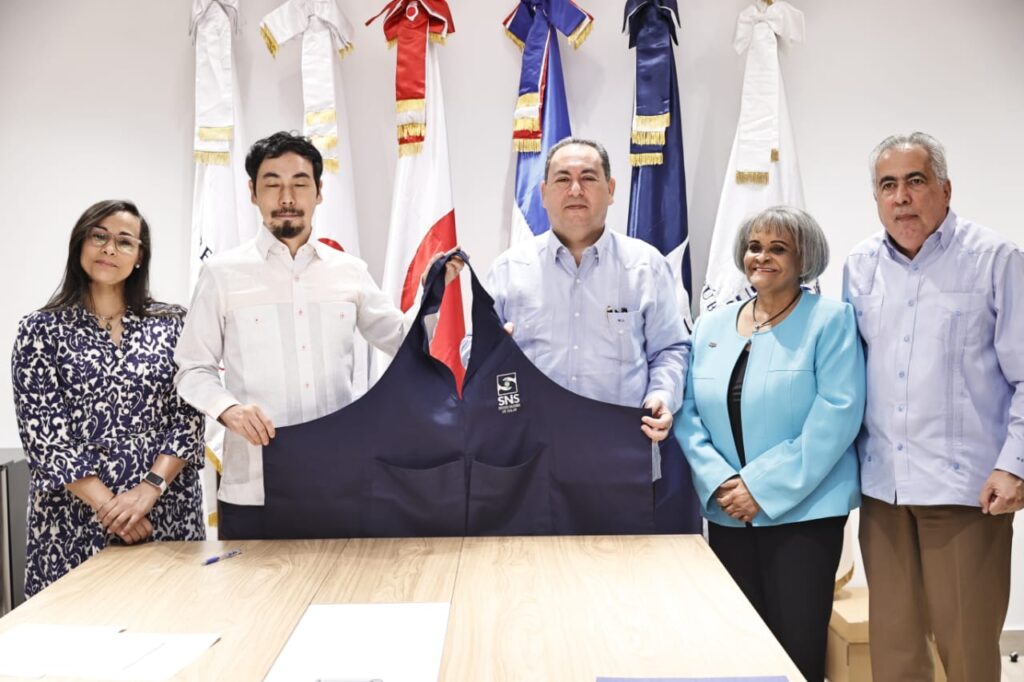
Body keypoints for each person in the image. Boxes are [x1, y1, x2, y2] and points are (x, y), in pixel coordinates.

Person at [174, 131, 460, 538]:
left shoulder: (350, 271)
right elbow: (192, 368)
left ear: (319, 192)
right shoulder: (221, 274)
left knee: (342, 578)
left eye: (300, 183)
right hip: (254, 484)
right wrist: (228, 409)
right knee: (251, 582)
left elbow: (401, 341)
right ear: (252, 192)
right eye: (272, 184)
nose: (287, 197)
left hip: (341, 476)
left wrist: (432, 291)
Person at [844, 132, 1024, 682]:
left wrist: (1014, 464)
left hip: (967, 494)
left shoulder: (994, 259)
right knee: (894, 656)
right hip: (884, 493)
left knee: (967, 652)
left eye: (915, 181)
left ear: (945, 189)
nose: (901, 197)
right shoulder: (858, 265)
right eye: (888, 185)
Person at [676, 206, 865, 682]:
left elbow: (837, 415)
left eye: (778, 248)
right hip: (729, 512)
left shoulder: (831, 320)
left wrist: (759, 487)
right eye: (754, 247)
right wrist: (722, 482)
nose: (761, 257)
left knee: (795, 648)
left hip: (804, 515)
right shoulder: (711, 325)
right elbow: (688, 411)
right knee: (737, 648)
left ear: (804, 260)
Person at [11, 200, 205, 597]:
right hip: (73, 518)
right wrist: (112, 510)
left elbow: (188, 417)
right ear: (79, 245)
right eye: (98, 236)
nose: (109, 249)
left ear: (139, 256)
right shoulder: (39, 330)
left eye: (124, 241)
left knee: (173, 619)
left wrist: (148, 490)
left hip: (165, 507)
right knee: (76, 628)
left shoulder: (174, 323)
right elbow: (45, 437)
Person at [478, 137, 689, 443]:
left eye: (588, 178)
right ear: (543, 193)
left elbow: (671, 350)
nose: (575, 190)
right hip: (529, 445)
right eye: (563, 179)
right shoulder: (508, 269)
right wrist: (491, 351)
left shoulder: (646, 266)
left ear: (611, 189)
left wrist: (662, 395)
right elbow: (472, 349)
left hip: (621, 445)